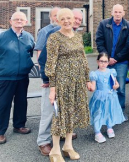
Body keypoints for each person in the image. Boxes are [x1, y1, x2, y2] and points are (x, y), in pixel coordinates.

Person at [45, 8, 91, 161]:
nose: (66, 21)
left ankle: (68, 146)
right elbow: (50, 64)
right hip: (62, 81)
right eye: (63, 19)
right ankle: (55, 150)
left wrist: (87, 79)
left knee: (73, 112)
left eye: (69, 18)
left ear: (74, 20)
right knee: (60, 115)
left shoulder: (78, 36)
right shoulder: (54, 38)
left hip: (77, 81)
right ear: (57, 21)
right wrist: (53, 88)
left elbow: (83, 59)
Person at [37, 9, 83, 156]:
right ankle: (43, 141)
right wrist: (47, 81)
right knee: (50, 113)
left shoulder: (76, 36)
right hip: (53, 81)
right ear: (59, 20)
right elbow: (45, 59)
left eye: (78, 19)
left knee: (66, 111)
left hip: (72, 82)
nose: (74, 21)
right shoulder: (55, 35)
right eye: (72, 18)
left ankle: (65, 140)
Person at [0, 12, 34, 145]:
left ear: (25, 22)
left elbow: (30, 53)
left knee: (21, 102)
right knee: (3, 104)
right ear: (11, 21)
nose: (19, 21)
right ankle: (1, 131)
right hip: (5, 77)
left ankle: (19, 125)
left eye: (21, 19)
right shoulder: (2, 37)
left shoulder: (28, 37)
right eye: (16, 19)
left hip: (22, 77)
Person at [95, 4, 129, 119]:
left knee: (120, 88)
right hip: (105, 62)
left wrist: (117, 58)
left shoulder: (128, 26)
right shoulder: (103, 24)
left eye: (119, 12)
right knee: (105, 87)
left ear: (123, 13)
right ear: (111, 13)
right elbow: (99, 41)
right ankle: (105, 112)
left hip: (121, 62)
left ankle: (119, 112)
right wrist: (107, 58)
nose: (117, 14)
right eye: (115, 12)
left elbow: (128, 45)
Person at [89, 52, 125, 143]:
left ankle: (109, 127)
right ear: (97, 62)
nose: (103, 64)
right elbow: (93, 87)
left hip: (110, 95)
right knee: (99, 112)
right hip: (100, 96)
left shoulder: (111, 72)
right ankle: (97, 132)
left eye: (105, 62)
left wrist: (116, 86)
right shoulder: (95, 74)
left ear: (108, 62)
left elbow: (116, 83)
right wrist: (88, 84)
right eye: (101, 61)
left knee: (109, 111)